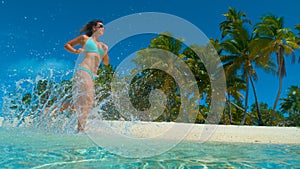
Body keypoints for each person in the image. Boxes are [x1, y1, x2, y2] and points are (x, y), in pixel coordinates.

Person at [64, 20, 109, 132]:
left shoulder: (103, 46)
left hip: (93, 76)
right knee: (87, 99)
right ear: (94, 28)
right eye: (101, 26)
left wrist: (105, 52)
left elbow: (106, 63)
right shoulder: (85, 38)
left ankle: (55, 108)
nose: (103, 28)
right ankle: (81, 130)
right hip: (83, 70)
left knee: (85, 102)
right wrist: (75, 51)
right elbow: (67, 45)